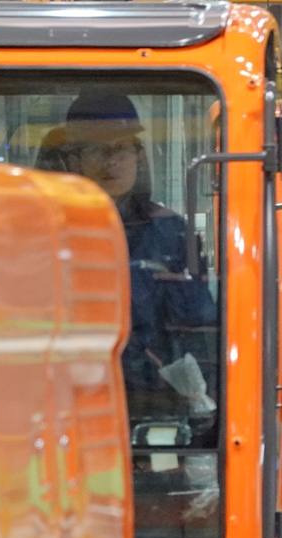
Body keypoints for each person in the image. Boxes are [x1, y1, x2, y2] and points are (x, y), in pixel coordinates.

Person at [57, 92, 217, 421]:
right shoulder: (47, 232)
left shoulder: (171, 234)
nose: (111, 161)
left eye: (121, 148)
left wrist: (203, 407)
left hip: (155, 408)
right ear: (73, 160)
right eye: (96, 149)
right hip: (66, 406)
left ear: (138, 156)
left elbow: (199, 331)